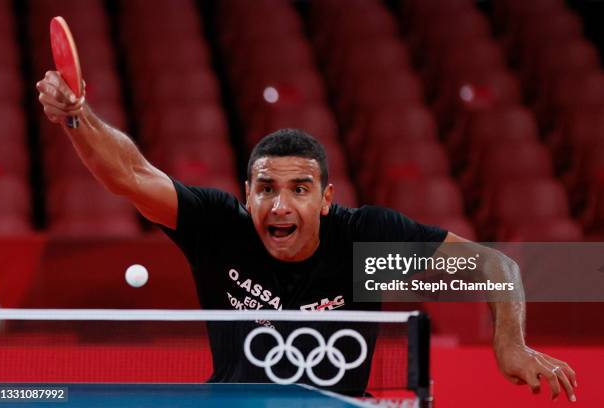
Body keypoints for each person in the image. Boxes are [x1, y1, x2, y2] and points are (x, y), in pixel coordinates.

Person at [37, 71, 577, 401]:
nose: (280, 205)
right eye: (266, 189)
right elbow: (129, 175)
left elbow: (493, 268)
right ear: (246, 194)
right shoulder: (220, 230)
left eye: (300, 189)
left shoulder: (367, 243)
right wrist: (77, 117)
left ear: (325, 198)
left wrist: (510, 342)